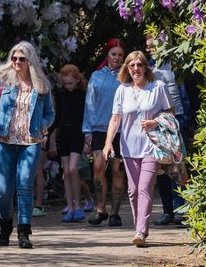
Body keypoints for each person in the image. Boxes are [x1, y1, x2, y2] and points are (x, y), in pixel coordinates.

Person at [0, 41, 55, 249]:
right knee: (4, 189)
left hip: (30, 141)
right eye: (14, 58)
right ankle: (5, 227)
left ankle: (24, 232)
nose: (16, 62)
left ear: (30, 61)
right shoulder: (3, 81)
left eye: (21, 59)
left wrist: (43, 126)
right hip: (4, 141)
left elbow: (50, 113)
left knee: (24, 185)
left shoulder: (41, 85)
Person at [101, 51, 174, 247]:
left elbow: (170, 112)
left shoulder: (157, 87)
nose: (135, 69)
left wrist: (155, 121)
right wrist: (108, 143)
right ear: (127, 69)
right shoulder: (122, 90)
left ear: (145, 68)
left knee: (144, 188)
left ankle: (140, 231)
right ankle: (139, 228)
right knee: (133, 191)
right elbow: (115, 119)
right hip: (128, 148)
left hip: (152, 146)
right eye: (131, 65)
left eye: (139, 65)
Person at [83, 38, 127, 227]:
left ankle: (115, 213)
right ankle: (100, 209)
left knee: (117, 170)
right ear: (107, 54)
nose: (116, 58)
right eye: (113, 54)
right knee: (98, 168)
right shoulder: (96, 75)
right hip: (99, 128)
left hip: (121, 129)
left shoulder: (127, 77)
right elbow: (89, 104)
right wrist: (87, 131)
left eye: (120, 55)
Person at [146, 33, 187, 226]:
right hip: (157, 121)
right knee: (161, 166)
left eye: (153, 45)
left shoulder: (176, 63)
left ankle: (182, 208)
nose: (150, 49)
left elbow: (187, 93)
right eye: (148, 46)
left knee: (178, 165)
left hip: (177, 118)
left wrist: (189, 120)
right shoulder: (147, 67)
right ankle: (167, 210)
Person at [50, 64, 88, 222]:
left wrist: (88, 136)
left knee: (73, 169)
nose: (68, 86)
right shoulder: (60, 94)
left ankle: (79, 205)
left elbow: (87, 115)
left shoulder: (83, 95)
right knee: (66, 172)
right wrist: (48, 133)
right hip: (63, 134)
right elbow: (58, 116)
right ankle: (70, 207)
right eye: (65, 83)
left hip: (77, 134)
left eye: (70, 83)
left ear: (78, 80)